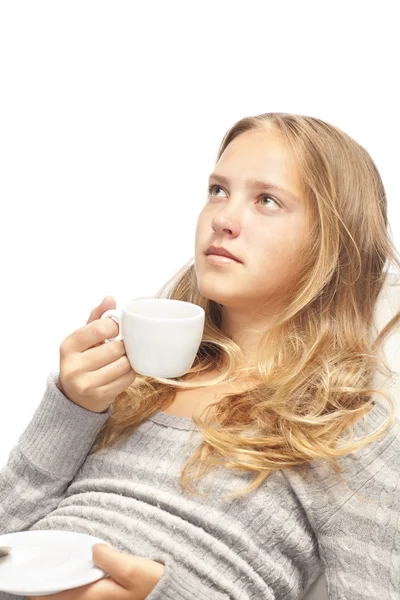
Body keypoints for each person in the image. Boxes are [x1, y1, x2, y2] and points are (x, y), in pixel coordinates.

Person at [1, 112, 400, 599]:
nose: (223, 219)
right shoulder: (136, 383)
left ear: (331, 243)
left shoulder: (343, 424)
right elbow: (8, 537)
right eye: (217, 190)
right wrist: (70, 408)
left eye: (267, 200)